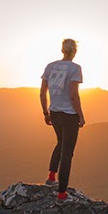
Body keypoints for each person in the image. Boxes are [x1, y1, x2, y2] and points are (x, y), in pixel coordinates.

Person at [40, 38, 85, 201]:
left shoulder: (50, 66)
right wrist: (80, 115)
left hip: (54, 112)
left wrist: (45, 112)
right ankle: (61, 194)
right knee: (67, 152)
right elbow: (74, 95)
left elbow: (42, 92)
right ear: (74, 51)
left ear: (62, 50)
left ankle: (51, 177)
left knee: (60, 142)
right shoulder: (75, 68)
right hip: (69, 115)